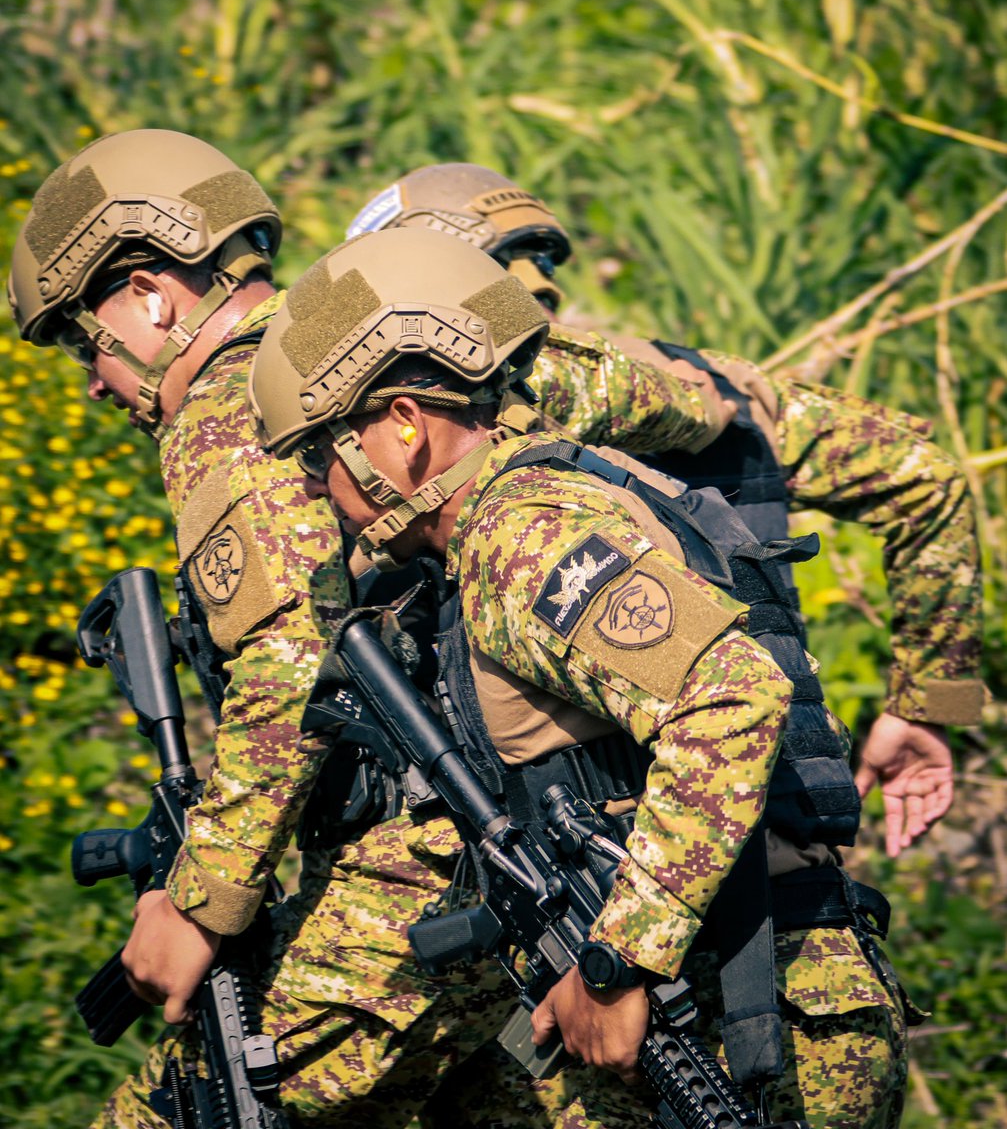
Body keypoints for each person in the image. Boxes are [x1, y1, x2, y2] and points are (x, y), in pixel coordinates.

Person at [7, 129, 737, 1127]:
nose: (96, 381)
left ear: (149, 294)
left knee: (184, 1110)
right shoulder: (381, 347)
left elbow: (289, 655)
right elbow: (680, 397)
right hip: (532, 853)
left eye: (84, 342)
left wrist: (196, 901)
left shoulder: (227, 409)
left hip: (424, 871)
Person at [248, 226, 913, 1129]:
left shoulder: (522, 532)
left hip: (752, 1025)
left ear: (401, 425)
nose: (314, 488)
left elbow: (732, 694)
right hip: (735, 1001)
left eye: (316, 454)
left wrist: (617, 962)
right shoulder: (536, 507)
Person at [351, 161, 985, 859]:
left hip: (546, 851)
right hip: (770, 824)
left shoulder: (424, 412)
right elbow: (924, 476)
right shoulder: (697, 381)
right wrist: (929, 702)